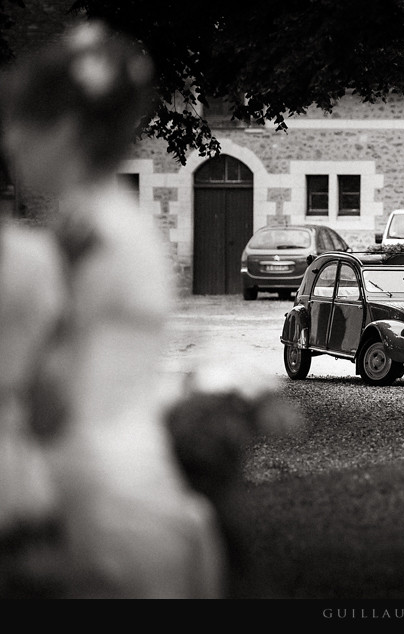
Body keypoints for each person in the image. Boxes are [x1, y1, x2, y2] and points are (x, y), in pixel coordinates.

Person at [0, 22, 224, 597]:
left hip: (92, 513)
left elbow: (49, 403)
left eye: (23, 122)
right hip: (139, 492)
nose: (10, 141)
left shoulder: (80, 239)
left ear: (67, 132)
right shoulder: (122, 224)